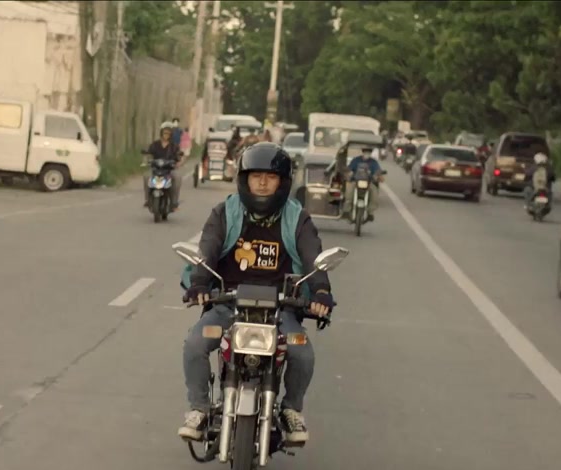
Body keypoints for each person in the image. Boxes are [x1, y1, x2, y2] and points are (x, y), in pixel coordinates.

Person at [178, 142, 335, 447]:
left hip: (280, 309)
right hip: (229, 305)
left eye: (271, 177)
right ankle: (199, 408)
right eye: (256, 176)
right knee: (195, 344)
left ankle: (291, 410)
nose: (262, 183)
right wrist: (199, 284)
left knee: (302, 353)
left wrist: (321, 291)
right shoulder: (225, 212)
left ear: (282, 182)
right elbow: (208, 248)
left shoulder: (297, 218)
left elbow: (312, 255)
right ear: (244, 179)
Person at [144, 126, 184, 211]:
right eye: (165, 133)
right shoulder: (155, 145)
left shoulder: (174, 146)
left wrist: (178, 163)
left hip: (169, 170)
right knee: (146, 176)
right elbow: (149, 154)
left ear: (171, 135)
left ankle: (174, 202)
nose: (166, 135)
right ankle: (148, 200)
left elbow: (179, 157)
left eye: (168, 134)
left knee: (177, 178)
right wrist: (147, 160)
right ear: (161, 134)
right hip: (156, 169)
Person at [342, 145, 383, 221]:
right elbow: (349, 169)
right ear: (362, 152)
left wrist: (377, 176)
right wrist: (347, 174)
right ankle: (346, 211)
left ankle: (370, 213)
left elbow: (377, 171)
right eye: (365, 151)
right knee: (348, 193)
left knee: (375, 194)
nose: (367, 153)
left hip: (369, 182)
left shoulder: (374, 162)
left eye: (369, 152)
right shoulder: (356, 160)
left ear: (371, 153)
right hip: (355, 181)